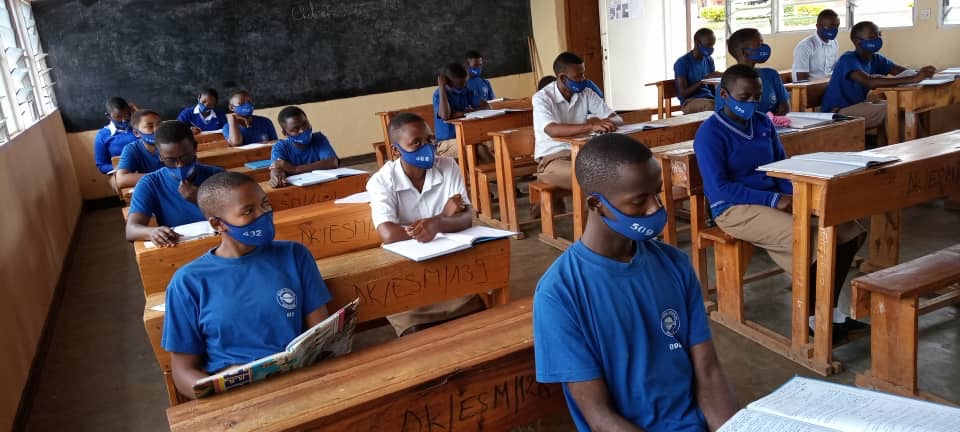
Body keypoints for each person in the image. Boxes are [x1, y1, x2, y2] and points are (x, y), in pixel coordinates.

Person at [534, 133, 738, 432]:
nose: (655, 208)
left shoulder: (674, 264)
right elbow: (599, 417)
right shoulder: (559, 293)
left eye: (657, 193)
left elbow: (708, 373)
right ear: (597, 204)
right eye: (639, 200)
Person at [696, 65, 868, 343]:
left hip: (773, 199)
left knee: (848, 229)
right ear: (724, 95)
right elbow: (719, 188)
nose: (752, 102)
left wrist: (798, 197)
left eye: (757, 96)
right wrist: (774, 199)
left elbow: (780, 167)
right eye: (744, 97)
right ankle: (812, 319)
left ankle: (829, 310)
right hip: (732, 207)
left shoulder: (762, 123)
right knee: (806, 238)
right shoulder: (710, 133)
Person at [161, 171, 331, 399]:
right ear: (217, 223)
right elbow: (183, 371)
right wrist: (219, 395)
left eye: (265, 204)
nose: (263, 215)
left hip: (299, 382)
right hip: (234, 393)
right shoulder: (188, 282)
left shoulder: (295, 255)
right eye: (248, 211)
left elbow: (319, 338)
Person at [366, 112, 485, 337]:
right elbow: (388, 234)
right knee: (417, 330)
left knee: (476, 318)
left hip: (450, 266)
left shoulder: (448, 166)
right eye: (416, 143)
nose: (427, 147)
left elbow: (465, 218)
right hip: (406, 274)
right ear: (395, 150)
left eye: (430, 140)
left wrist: (437, 223)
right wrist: (442, 217)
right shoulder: (381, 181)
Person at [821, 21, 935, 139]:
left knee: (903, 106)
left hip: (857, 106)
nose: (878, 39)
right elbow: (869, 82)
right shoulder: (847, 59)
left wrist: (923, 73)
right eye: (872, 37)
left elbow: (902, 72)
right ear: (857, 41)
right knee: (892, 110)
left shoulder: (875, 59)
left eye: (879, 35)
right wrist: (913, 78)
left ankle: (921, 143)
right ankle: (915, 146)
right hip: (837, 113)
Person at [532, 52, 622, 196]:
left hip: (583, 154)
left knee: (618, 170)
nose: (583, 79)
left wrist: (606, 123)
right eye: (578, 76)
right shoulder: (542, 98)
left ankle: (609, 209)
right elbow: (551, 129)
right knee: (592, 177)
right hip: (553, 159)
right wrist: (591, 126)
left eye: (583, 74)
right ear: (563, 78)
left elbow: (616, 118)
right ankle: (601, 209)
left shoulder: (586, 93)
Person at [125, 121, 224, 245]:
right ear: (160, 156)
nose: (180, 165)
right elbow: (131, 230)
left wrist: (200, 199)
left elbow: (237, 218)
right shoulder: (150, 183)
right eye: (171, 160)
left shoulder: (218, 176)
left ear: (195, 148)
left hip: (220, 243)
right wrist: (152, 232)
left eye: (185, 157)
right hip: (179, 248)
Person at [715, 28, 790, 116]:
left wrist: (769, 121)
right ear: (745, 52)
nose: (764, 47)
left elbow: (785, 108)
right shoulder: (728, 83)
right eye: (759, 44)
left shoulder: (771, 75)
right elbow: (726, 116)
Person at [433, 62, 491, 161]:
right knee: (474, 148)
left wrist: (466, 113)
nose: (462, 88)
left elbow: (486, 106)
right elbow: (445, 115)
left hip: (466, 137)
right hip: (445, 143)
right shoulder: (438, 94)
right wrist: (442, 87)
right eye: (458, 86)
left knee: (484, 145)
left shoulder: (466, 91)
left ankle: (499, 170)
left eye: (464, 84)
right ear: (446, 82)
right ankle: (499, 169)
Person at [269, 106, 339, 188]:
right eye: (295, 129)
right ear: (285, 133)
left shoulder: (318, 138)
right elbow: (277, 169)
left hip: (323, 186)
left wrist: (295, 169)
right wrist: (277, 176)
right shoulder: (280, 147)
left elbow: (333, 162)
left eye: (305, 124)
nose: (303, 130)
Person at [94, 97, 139, 193]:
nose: (124, 120)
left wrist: (139, 113)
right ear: (108, 116)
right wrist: (121, 167)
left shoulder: (140, 127)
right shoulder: (103, 136)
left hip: (144, 166)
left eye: (127, 114)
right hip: (120, 172)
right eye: (118, 117)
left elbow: (156, 140)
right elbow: (101, 165)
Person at [674, 28, 721, 114]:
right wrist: (702, 81)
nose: (711, 48)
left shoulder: (709, 59)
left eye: (712, 45)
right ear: (697, 42)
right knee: (712, 105)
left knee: (729, 104)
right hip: (689, 102)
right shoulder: (682, 62)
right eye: (708, 45)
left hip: (708, 98)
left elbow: (711, 86)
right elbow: (682, 93)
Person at [115, 109, 164, 189]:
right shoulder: (132, 149)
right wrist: (162, 177)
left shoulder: (174, 143)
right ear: (136, 133)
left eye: (159, 125)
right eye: (150, 126)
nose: (157, 130)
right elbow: (121, 180)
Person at [792, 9, 841, 82]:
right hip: (811, 87)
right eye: (830, 26)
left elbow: (834, 70)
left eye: (837, 26)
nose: (835, 30)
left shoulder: (834, 43)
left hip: (829, 85)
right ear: (818, 26)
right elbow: (801, 80)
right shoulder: (805, 46)